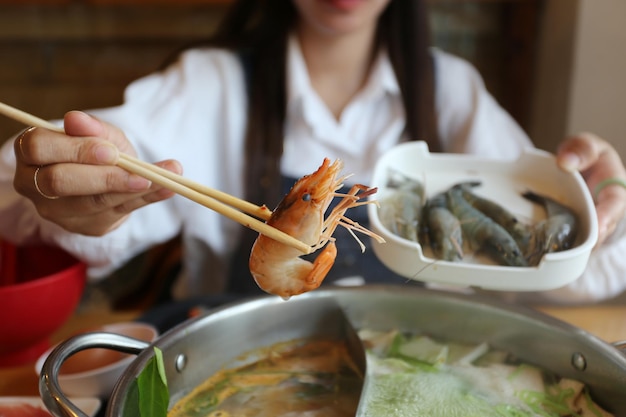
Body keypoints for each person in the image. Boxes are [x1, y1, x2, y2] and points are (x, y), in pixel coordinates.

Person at [1, 0, 625, 303]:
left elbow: (564, 277)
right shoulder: (207, 85)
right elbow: (11, 185)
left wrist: (595, 215)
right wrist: (77, 178)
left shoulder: (454, 93)